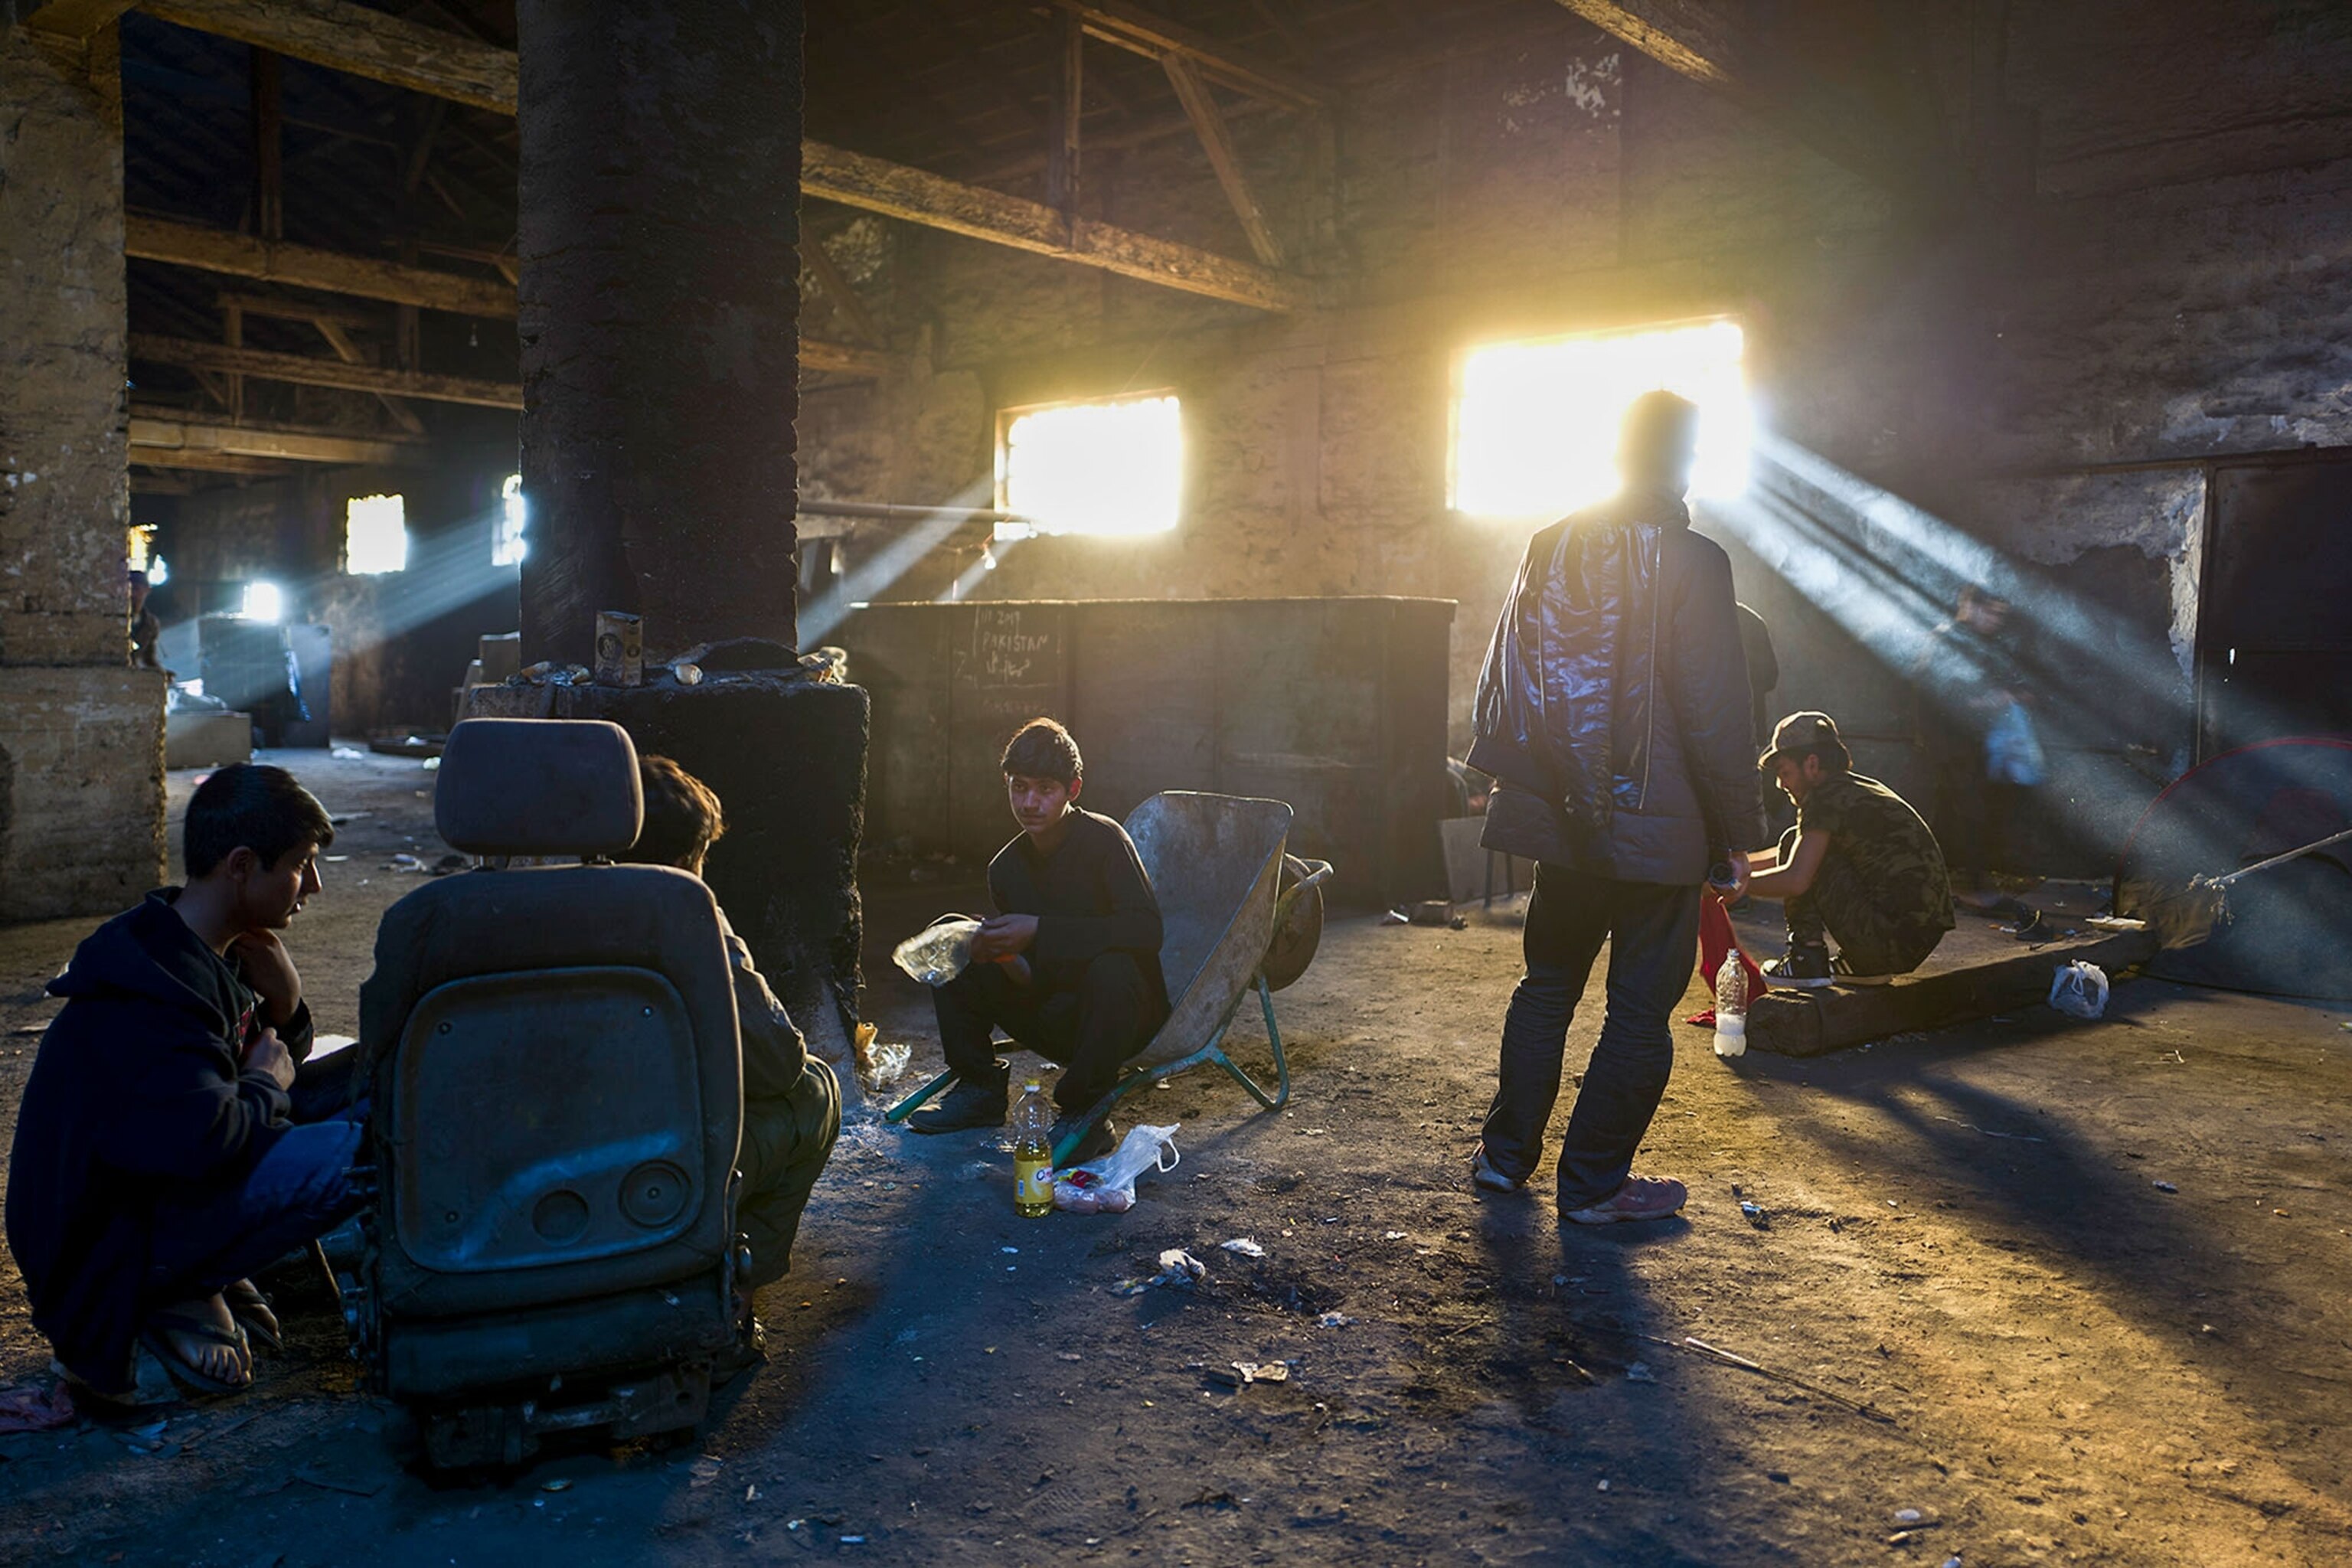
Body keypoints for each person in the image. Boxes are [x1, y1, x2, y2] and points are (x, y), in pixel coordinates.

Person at [1466, 390, 1763, 1225]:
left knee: (1545, 985)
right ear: (1684, 459)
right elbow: (1713, 712)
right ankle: (1594, 1184)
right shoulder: (1694, 560)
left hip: (1565, 820)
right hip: (1655, 832)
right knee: (1638, 1009)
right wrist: (1738, 832)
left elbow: (1508, 677)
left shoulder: (1550, 545)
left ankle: (1503, 1160)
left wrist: (1524, 785)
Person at [6, 765, 361, 1404]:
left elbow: (257, 1065)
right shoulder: (154, 991)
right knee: (361, 1155)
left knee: (365, 1087)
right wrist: (265, 1086)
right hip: (109, 1250)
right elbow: (212, 1134)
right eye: (302, 864)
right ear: (243, 865)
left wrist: (287, 1003)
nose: (313, 884)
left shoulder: (198, 944)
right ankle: (165, 1301)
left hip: (155, 1192)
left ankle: (202, 1287)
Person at [616, 756, 840, 1289]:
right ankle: (728, 1287)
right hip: (653, 1173)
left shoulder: (489, 912)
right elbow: (778, 1063)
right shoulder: (690, 921)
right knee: (814, 1090)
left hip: (534, 1172)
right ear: (690, 859)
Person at [906, 719, 1168, 1165]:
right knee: (953, 934)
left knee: (1115, 966)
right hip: (1054, 1015)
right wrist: (1003, 954)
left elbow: (1146, 932)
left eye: (1045, 788)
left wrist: (1040, 928)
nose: (1029, 802)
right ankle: (980, 1088)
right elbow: (1034, 981)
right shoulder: (1005, 869)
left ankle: (1087, 1111)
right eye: (1019, 787)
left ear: (1073, 789)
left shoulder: (1105, 842)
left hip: (1119, 1019)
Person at [1743, 712, 1955, 986]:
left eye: (1785, 773)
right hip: (1912, 939)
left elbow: (1796, 879)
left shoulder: (1825, 799)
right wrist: (1739, 867)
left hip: (1889, 939)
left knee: (1804, 858)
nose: (1781, 784)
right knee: (1792, 840)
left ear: (1812, 764)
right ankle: (1865, 965)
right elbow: (1796, 850)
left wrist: (1734, 885)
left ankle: (1806, 958)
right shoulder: (1855, 789)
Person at [1913, 585, 2035, 910]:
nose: (1996, 620)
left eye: (2001, 614)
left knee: (1952, 813)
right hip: (1949, 743)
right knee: (1969, 812)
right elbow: (1942, 694)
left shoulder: (1981, 642)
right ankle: (1978, 889)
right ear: (1970, 606)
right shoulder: (1948, 639)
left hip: (1968, 743)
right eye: (1992, 612)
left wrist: (2009, 694)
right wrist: (1992, 700)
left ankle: (1928, 881)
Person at [126, 569, 168, 675]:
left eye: (136, 589)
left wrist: (162, 674)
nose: (132, 594)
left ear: (147, 590)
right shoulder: (114, 620)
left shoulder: (151, 624)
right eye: (128, 589)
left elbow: (149, 659)